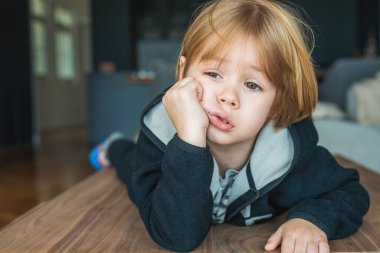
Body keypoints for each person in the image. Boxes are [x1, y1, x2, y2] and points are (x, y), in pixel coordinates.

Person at [89, 0, 370, 252]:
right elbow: (177, 236)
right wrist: (188, 140)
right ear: (182, 72)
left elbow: (349, 192)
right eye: (213, 74)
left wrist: (312, 220)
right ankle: (113, 146)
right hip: (158, 158)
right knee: (128, 164)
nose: (228, 97)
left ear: (276, 103)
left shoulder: (290, 156)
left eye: (252, 84)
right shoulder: (159, 138)